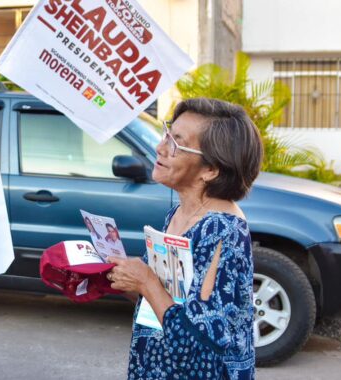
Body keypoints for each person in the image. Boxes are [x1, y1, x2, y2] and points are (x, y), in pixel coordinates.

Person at [106, 98, 263, 379]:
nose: (160, 147)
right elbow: (164, 304)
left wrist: (147, 281)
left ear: (211, 170)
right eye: (167, 133)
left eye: (176, 142)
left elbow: (200, 346)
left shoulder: (223, 231)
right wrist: (117, 278)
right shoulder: (177, 214)